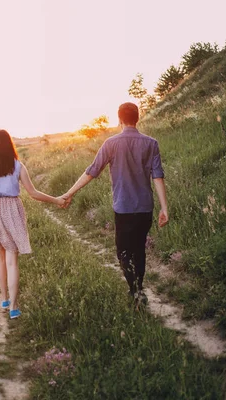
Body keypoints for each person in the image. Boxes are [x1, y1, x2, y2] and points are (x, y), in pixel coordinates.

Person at [61, 103, 169, 305]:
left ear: (119, 119)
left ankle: (134, 290)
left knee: (123, 251)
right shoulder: (151, 143)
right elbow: (158, 176)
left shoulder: (111, 144)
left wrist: (69, 193)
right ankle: (139, 289)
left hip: (124, 208)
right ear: (138, 118)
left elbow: (91, 171)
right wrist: (164, 207)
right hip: (145, 207)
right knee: (139, 249)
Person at [0, 129, 66, 319]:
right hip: (12, 209)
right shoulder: (18, 166)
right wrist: (57, 200)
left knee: (0, 258)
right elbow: (34, 193)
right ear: (9, 144)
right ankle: (13, 306)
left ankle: (4, 299)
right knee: (12, 260)